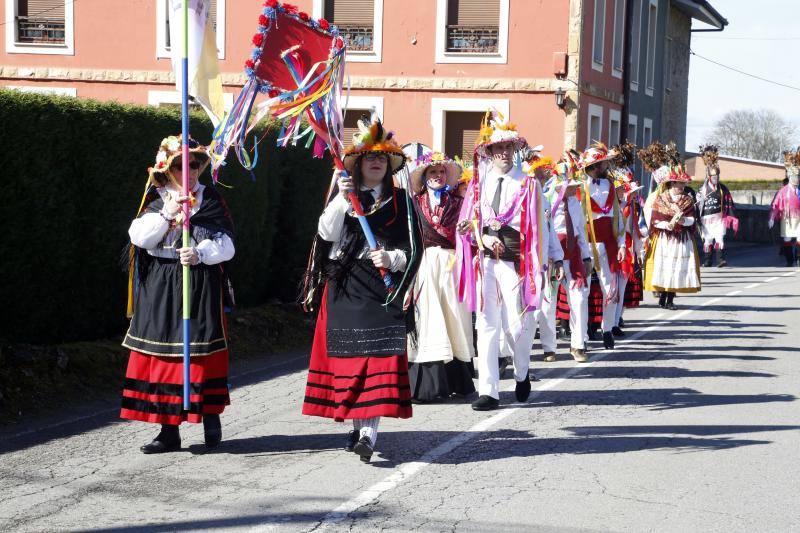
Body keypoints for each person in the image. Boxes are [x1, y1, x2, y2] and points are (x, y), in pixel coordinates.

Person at [301, 118, 419, 463]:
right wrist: (341, 199)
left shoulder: (400, 201)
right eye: (368, 157)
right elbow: (326, 236)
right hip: (346, 288)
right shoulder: (344, 195)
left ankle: (369, 433)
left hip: (382, 292)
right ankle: (356, 426)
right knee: (352, 362)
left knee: (377, 361)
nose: (376, 162)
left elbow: (414, 249)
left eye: (382, 157)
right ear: (358, 163)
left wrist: (392, 257)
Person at [121, 135, 235, 454]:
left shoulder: (211, 199)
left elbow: (228, 244)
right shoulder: (156, 200)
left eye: (195, 164)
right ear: (168, 169)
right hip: (161, 282)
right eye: (182, 164)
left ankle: (210, 415)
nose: (191, 170)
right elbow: (139, 237)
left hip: (198, 280)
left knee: (200, 351)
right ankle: (167, 430)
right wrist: (169, 213)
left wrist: (200, 252)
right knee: (163, 355)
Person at [455, 109, 563, 411]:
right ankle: (488, 390)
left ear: (515, 150)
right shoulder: (479, 183)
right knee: (487, 324)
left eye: (508, 148)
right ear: (489, 152)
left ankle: (521, 371)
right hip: (486, 261)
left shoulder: (529, 186)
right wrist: (473, 232)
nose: (503, 153)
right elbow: (471, 219)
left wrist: (552, 258)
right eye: (498, 148)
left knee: (518, 326)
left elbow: (543, 227)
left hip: (518, 263)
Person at [407, 152, 475, 402]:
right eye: (433, 172)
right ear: (424, 177)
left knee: (453, 317)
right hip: (425, 265)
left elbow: (470, 237)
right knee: (428, 319)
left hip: (451, 264)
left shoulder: (459, 204)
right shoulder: (413, 203)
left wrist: (468, 232)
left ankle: (458, 378)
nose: (437, 176)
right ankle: (427, 383)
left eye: (441, 172)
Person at [538, 151, 592, 363]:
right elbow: (547, 231)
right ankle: (549, 347)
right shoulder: (548, 202)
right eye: (570, 185)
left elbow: (581, 231)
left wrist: (586, 257)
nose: (573, 189)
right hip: (553, 255)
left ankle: (578, 344)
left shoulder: (575, 203)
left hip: (574, 255)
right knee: (548, 302)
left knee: (579, 299)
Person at [579, 143, 626, 350]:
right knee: (582, 292)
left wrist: (622, 243)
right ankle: (582, 335)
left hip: (609, 243)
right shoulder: (579, 187)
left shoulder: (611, 186)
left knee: (611, 289)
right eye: (605, 162)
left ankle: (607, 329)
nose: (608, 165)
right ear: (596, 165)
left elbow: (619, 219)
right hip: (586, 244)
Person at [644, 164, 701, 309]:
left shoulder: (687, 200)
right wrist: (666, 225)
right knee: (666, 267)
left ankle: (670, 299)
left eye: (683, 183)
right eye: (679, 183)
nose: (682, 186)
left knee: (676, 268)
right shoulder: (661, 199)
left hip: (681, 239)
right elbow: (655, 220)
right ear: (672, 183)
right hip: (665, 239)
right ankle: (663, 296)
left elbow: (692, 220)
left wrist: (683, 220)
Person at [696, 145, 738, 267]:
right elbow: (697, 204)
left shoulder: (723, 188)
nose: (716, 179)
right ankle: (707, 260)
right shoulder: (702, 189)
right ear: (709, 177)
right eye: (714, 177)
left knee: (720, 238)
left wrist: (730, 216)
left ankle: (720, 260)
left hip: (719, 218)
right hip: (706, 219)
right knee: (708, 240)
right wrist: (699, 199)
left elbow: (729, 202)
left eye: (717, 176)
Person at [769, 149, 800, 267]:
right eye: (794, 177)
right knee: (787, 239)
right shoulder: (782, 191)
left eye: (798, 177)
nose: (796, 179)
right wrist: (772, 218)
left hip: (799, 217)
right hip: (786, 218)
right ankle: (789, 260)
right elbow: (775, 205)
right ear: (789, 176)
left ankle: (798, 258)